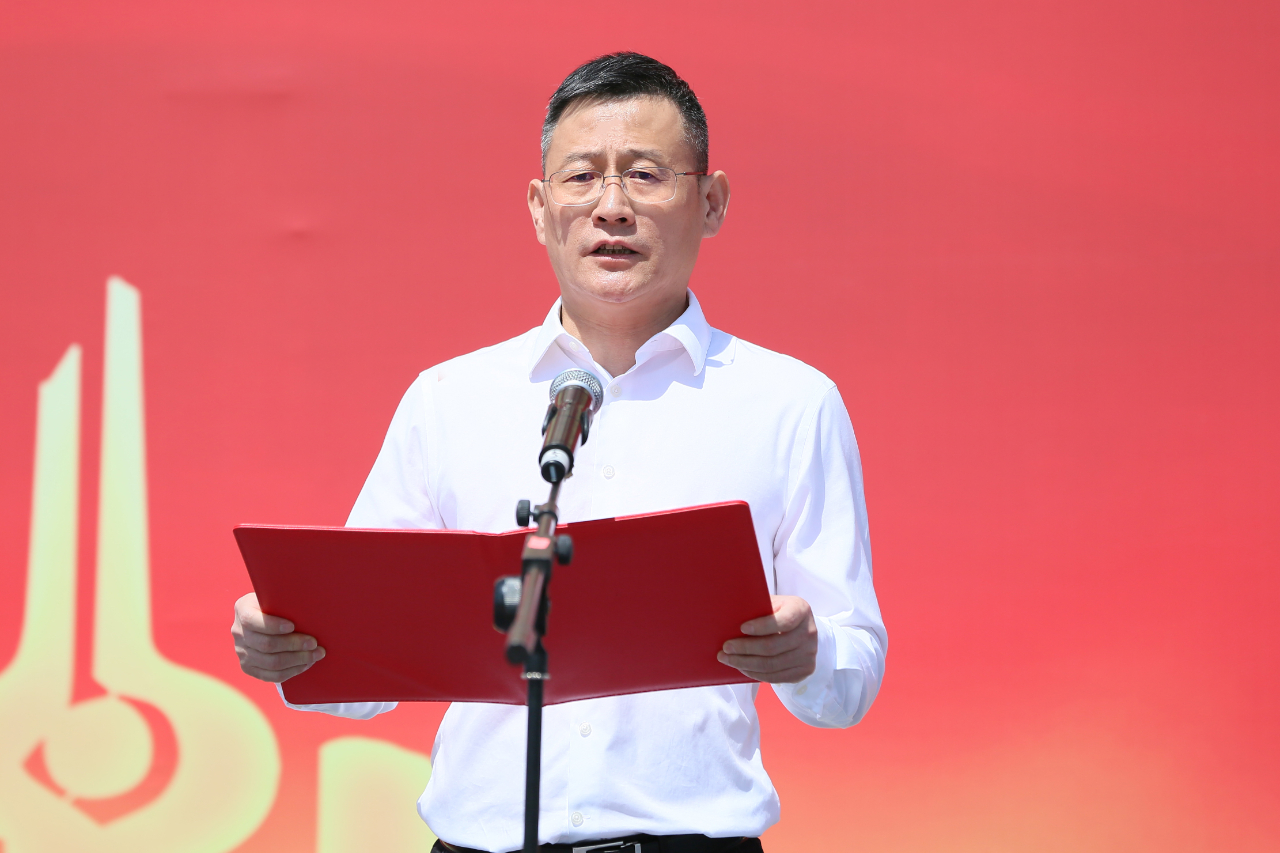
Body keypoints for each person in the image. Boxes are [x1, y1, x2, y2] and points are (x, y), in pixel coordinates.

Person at [231, 52, 887, 853]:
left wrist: (807, 652)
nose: (611, 207)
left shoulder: (789, 402)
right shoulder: (450, 399)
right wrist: (292, 641)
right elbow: (363, 666)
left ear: (711, 201)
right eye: (582, 178)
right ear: (541, 210)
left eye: (645, 175)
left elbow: (851, 675)